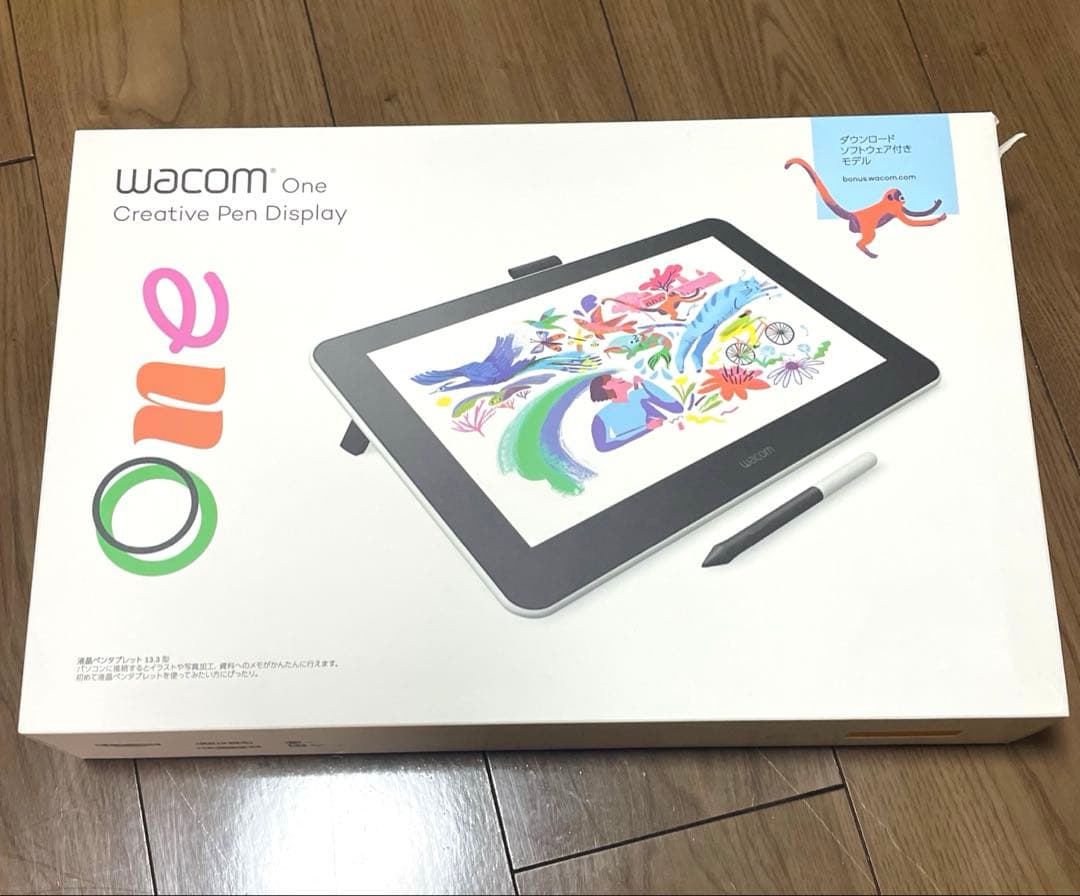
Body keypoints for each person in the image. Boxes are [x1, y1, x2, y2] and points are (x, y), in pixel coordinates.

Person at [589, 374, 682, 452]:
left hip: (665, 444)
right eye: (613, 380)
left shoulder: (639, 395)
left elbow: (676, 407)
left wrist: (645, 383)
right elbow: (602, 446)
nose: (620, 378)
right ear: (606, 387)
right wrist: (646, 428)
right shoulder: (602, 416)